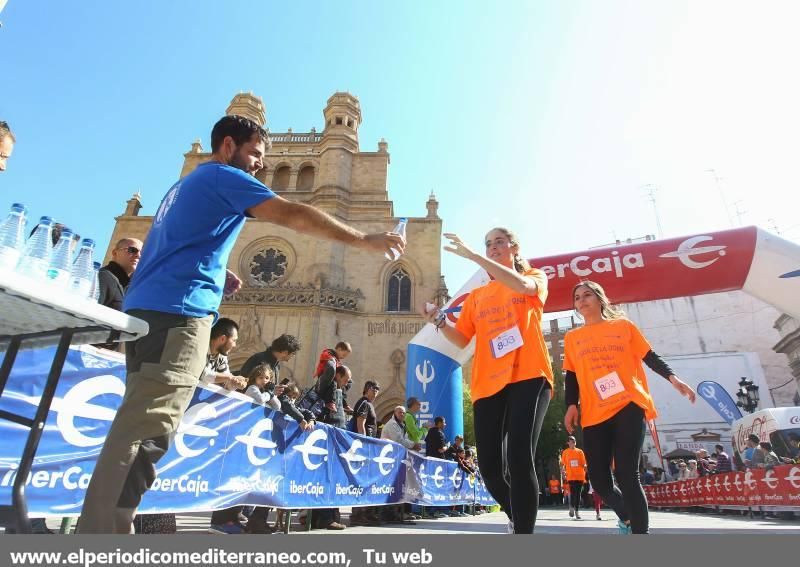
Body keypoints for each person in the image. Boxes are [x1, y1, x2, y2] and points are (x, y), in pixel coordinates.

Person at [78, 114, 404, 534]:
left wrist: (216, 276)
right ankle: (100, 538)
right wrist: (363, 239)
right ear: (228, 146)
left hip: (149, 309)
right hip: (178, 314)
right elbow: (291, 214)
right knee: (148, 430)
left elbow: (174, 247)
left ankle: (106, 529)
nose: (259, 166)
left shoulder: (184, 186)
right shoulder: (221, 176)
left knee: (142, 426)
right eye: (254, 154)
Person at [421, 228, 553, 534]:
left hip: (528, 374)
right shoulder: (478, 297)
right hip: (488, 383)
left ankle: (524, 535)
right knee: (491, 469)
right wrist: (438, 320)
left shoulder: (534, 276)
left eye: (499, 242)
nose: (493, 247)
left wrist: (473, 255)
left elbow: (523, 285)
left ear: (514, 248)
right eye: (488, 244)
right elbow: (461, 338)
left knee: (520, 457)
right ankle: (517, 515)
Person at [563, 280, 696, 535]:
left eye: (587, 294)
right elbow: (570, 376)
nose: (581, 300)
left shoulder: (623, 326)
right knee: (600, 480)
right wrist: (571, 405)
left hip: (628, 402)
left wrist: (673, 378)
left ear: (600, 298)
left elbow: (649, 356)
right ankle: (627, 516)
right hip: (593, 411)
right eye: (577, 297)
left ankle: (640, 534)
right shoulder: (572, 338)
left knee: (627, 473)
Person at [200, 317, 248, 391]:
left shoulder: (221, 356)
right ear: (223, 339)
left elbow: (226, 382)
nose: (235, 345)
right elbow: (203, 375)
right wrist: (230, 378)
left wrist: (236, 383)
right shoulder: (200, 348)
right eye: (234, 340)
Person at [98, 238, 144, 311]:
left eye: (142, 253)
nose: (138, 256)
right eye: (132, 250)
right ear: (115, 253)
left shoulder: (129, 287)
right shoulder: (103, 277)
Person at [560, 436, 587, 520]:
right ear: (568, 443)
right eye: (571, 442)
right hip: (571, 476)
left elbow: (584, 463)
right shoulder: (565, 452)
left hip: (580, 476)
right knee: (573, 492)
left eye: (574, 441)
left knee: (578, 494)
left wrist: (586, 466)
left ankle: (577, 511)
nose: (573, 443)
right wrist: (562, 471)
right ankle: (572, 507)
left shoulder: (580, 451)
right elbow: (562, 464)